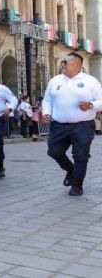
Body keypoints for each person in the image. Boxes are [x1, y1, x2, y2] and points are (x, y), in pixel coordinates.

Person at [42, 53, 102, 196]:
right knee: (54, 151)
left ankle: (77, 185)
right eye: (62, 62)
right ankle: (71, 170)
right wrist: (46, 111)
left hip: (83, 125)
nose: (62, 64)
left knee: (80, 156)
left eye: (65, 62)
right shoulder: (55, 80)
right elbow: (47, 100)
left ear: (77, 65)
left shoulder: (90, 81)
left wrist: (91, 105)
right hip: (58, 125)